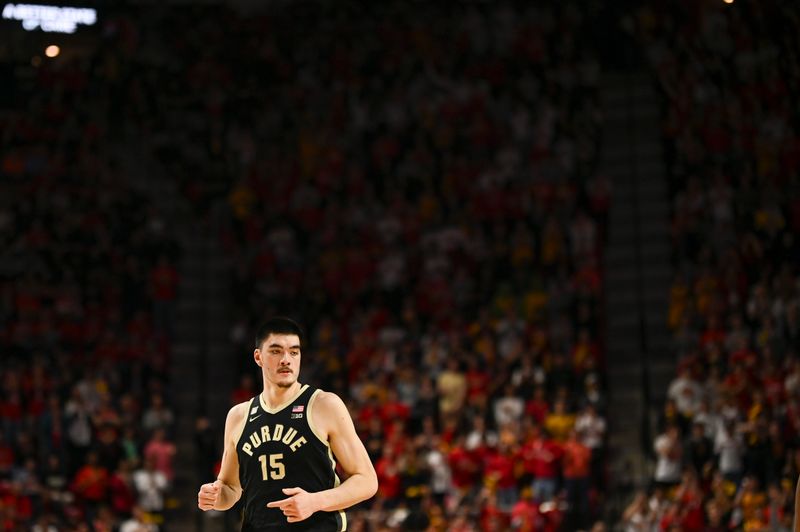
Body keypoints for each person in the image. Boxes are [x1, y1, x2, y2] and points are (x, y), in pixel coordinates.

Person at [197, 317, 378, 530]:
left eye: (294, 352)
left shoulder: (324, 405)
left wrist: (314, 502)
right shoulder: (238, 415)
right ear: (258, 357)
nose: (286, 359)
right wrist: (215, 496)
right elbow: (230, 488)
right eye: (276, 351)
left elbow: (367, 481)